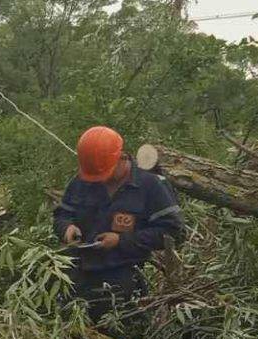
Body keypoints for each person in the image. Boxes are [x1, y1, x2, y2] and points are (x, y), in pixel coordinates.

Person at [54, 126, 184, 324]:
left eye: (104, 174)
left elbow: (174, 232)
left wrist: (121, 241)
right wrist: (67, 228)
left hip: (125, 279)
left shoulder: (151, 185)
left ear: (121, 158)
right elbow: (62, 215)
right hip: (78, 275)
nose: (99, 180)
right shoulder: (81, 181)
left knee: (120, 336)